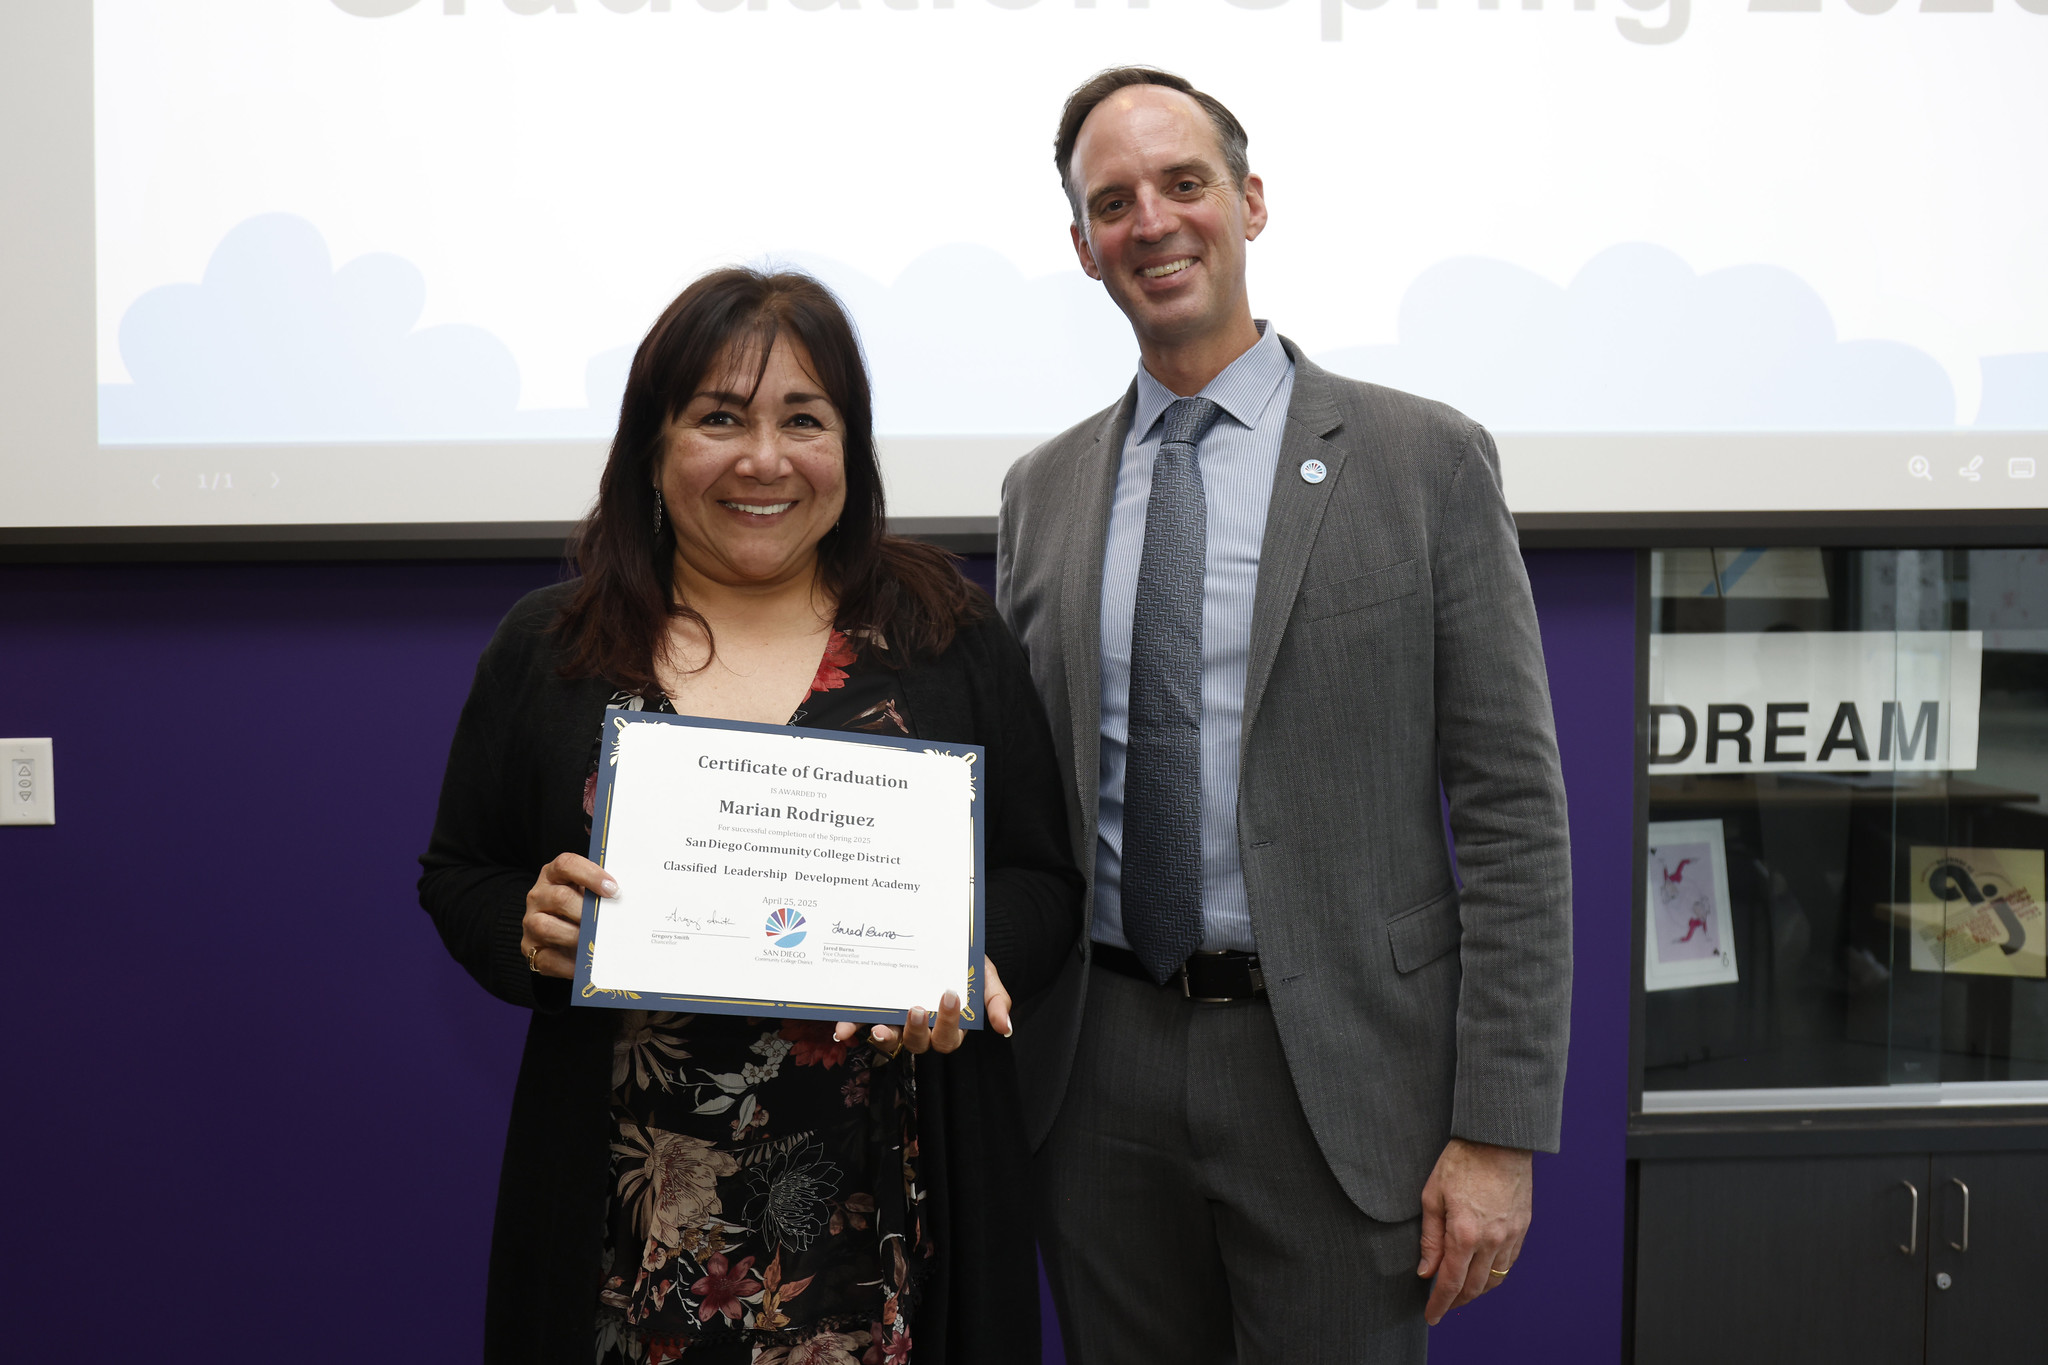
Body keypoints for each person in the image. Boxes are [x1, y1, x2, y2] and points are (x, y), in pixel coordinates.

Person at [996, 68, 1573, 1362]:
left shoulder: (1424, 461)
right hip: (1097, 1073)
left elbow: (1513, 817)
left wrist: (1497, 1128)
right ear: (1082, 247)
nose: (1152, 221)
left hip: (1336, 1074)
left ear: (1249, 202)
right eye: (1112, 203)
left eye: (1182, 184)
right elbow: (1023, 803)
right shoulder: (1041, 493)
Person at [421, 268, 1082, 1365]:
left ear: (851, 448)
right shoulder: (552, 645)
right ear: (653, 446)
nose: (763, 459)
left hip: (886, 1215)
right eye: (719, 418)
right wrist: (525, 927)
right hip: (628, 1226)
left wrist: (966, 962)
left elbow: (1041, 880)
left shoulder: (946, 636)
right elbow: (460, 874)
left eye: (803, 420)